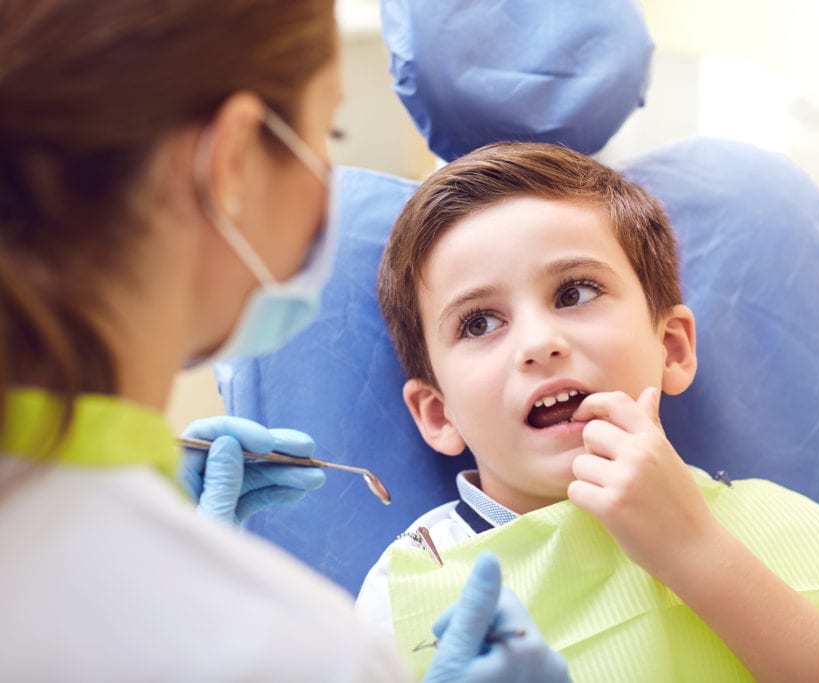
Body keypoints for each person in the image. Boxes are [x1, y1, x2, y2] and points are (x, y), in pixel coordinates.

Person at [0, 1, 568, 680]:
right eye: (328, 128)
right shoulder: (296, 652)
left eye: (574, 293)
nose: (540, 342)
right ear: (235, 160)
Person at [357, 141, 819, 682]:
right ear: (438, 414)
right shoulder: (411, 582)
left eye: (574, 293)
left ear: (671, 347)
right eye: (479, 322)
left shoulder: (737, 528)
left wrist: (697, 552)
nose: (539, 341)